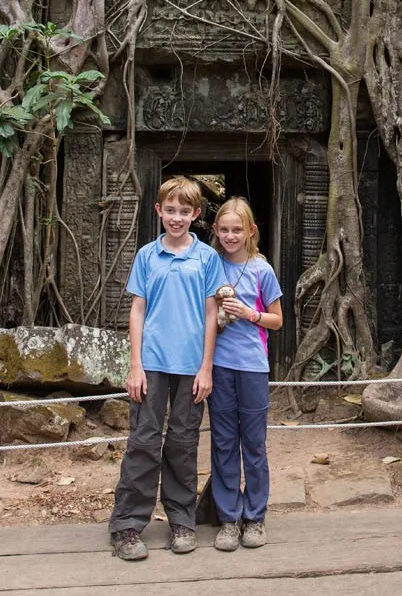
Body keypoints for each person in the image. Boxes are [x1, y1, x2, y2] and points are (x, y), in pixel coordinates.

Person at [108, 175, 222, 561]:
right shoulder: (146, 255)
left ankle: (182, 520)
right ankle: (127, 525)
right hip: (152, 362)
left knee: (183, 443)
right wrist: (135, 365)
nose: (176, 218)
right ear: (158, 211)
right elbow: (137, 310)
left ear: (196, 214)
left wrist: (206, 367)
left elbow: (212, 314)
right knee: (143, 441)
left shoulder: (207, 258)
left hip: (191, 364)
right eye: (169, 210)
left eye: (184, 211)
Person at [207, 197, 283, 551]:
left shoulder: (260, 270)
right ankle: (228, 518)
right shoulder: (209, 264)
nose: (230, 236)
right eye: (224, 229)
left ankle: (255, 517)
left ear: (251, 231)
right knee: (222, 441)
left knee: (253, 444)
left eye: (237, 230)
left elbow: (277, 320)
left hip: (252, 366)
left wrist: (249, 314)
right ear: (215, 231)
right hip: (219, 365)